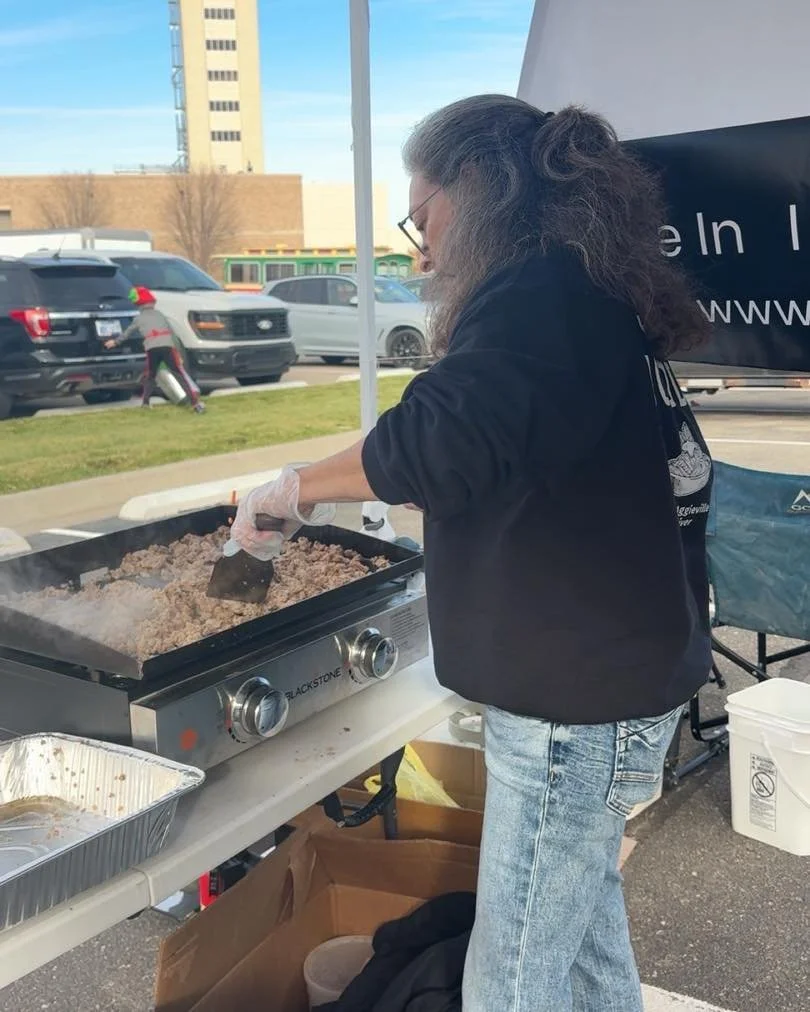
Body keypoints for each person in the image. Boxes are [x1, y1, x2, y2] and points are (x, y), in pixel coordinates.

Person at [230, 96, 714, 1011]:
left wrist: (292, 486)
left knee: (514, 978)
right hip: (614, 680)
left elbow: (432, 440)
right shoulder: (587, 292)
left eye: (424, 213)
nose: (423, 246)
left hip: (576, 706)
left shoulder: (538, 293)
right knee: (583, 943)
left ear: (481, 189)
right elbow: (502, 450)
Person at [106, 286, 204, 412]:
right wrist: (178, 352)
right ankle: (194, 403)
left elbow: (127, 333)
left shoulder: (138, 319)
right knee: (178, 374)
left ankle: (146, 402)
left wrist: (115, 342)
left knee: (151, 376)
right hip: (167, 346)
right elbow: (172, 333)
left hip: (152, 348)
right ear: (151, 302)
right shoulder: (160, 315)